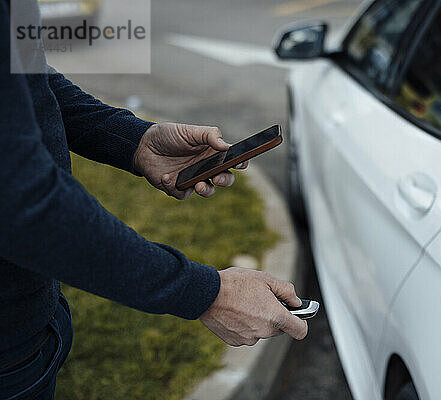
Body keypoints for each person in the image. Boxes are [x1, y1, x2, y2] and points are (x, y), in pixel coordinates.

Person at [0, 1, 308, 399]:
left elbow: (28, 77)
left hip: (31, 314)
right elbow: (24, 205)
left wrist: (132, 139)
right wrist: (206, 293)